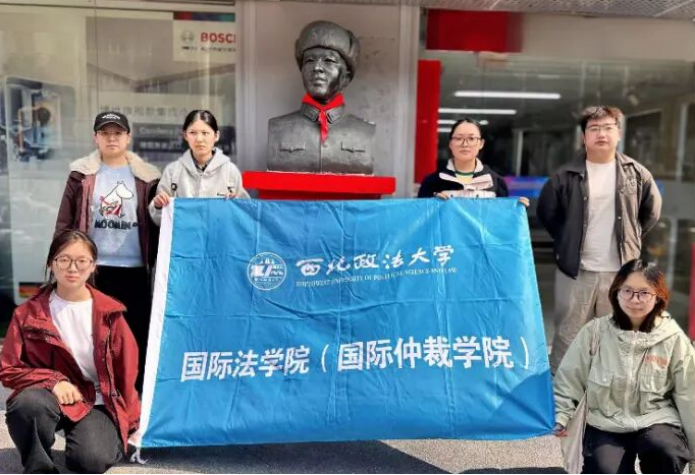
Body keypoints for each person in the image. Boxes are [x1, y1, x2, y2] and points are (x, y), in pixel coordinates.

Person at [0, 230, 140, 474]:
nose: (72, 268)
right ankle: (38, 467)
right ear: (50, 263)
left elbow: (126, 372)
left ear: (93, 266)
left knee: (90, 460)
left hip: (96, 401)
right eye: (64, 259)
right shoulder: (27, 314)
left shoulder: (109, 314)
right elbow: (8, 369)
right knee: (28, 405)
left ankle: (92, 440)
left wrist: (133, 422)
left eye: (82, 260)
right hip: (46, 396)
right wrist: (54, 382)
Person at [537, 105, 662, 373]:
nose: (601, 134)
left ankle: (608, 389)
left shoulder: (636, 173)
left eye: (607, 128)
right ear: (584, 137)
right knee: (568, 335)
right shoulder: (564, 176)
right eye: (594, 129)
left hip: (620, 271)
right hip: (575, 270)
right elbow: (547, 213)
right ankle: (563, 391)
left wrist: (630, 238)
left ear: (619, 134)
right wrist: (568, 240)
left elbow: (651, 212)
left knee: (617, 333)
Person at [553, 260, 694, 474]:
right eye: (627, 291)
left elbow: (689, 395)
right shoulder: (594, 332)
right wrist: (561, 416)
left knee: (665, 453)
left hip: (657, 418)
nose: (634, 300)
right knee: (604, 469)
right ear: (616, 292)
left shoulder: (673, 339)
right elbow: (568, 380)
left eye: (644, 293)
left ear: (658, 296)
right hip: (606, 421)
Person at [54, 111, 160, 392]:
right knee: (95, 334)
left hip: (135, 270)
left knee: (136, 334)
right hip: (94, 270)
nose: (112, 138)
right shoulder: (81, 174)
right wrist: (60, 261)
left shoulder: (148, 177)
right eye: (105, 133)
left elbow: (159, 221)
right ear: (96, 138)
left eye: (117, 133)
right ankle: (98, 392)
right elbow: (65, 221)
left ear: (128, 137)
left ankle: (134, 394)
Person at [267, 20, 375, 174]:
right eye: (309, 60)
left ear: (346, 77)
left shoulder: (364, 131)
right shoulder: (278, 128)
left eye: (329, 60)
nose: (317, 68)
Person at [149, 109, 249, 223]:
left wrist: (237, 205)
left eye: (205, 133)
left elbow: (245, 216)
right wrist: (158, 206)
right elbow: (159, 220)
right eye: (193, 133)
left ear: (216, 135)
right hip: (184, 234)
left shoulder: (230, 171)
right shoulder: (173, 171)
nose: (199, 139)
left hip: (219, 234)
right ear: (185, 135)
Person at [418, 118, 529, 206]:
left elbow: (502, 219)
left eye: (471, 139)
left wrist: (516, 208)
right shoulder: (431, 182)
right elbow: (421, 219)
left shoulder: (495, 182)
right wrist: (432, 204)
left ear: (481, 144)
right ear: (450, 143)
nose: (465, 144)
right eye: (458, 138)